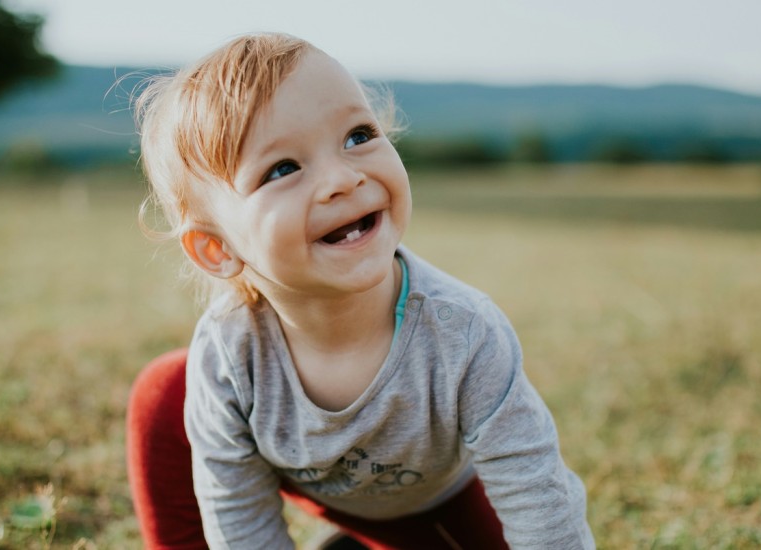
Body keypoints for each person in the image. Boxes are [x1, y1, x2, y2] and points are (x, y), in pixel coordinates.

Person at [126, 32, 594, 550]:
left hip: (440, 500)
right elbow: (238, 517)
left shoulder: (464, 334)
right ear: (217, 249)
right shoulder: (230, 350)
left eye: (357, 135)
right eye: (283, 168)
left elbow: (538, 496)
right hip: (314, 487)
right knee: (166, 389)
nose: (342, 179)